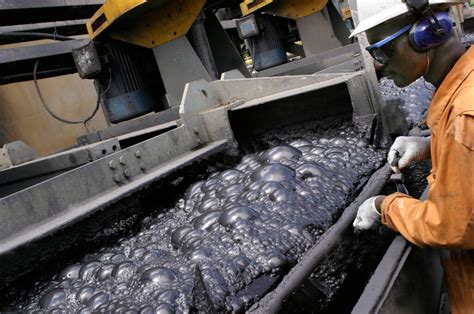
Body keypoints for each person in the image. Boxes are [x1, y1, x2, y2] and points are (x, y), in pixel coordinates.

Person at [350, 0, 474, 312]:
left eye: (382, 51)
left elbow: (449, 226)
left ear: (425, 36)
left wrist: (384, 207)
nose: (380, 65)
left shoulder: (463, 117)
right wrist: (432, 145)